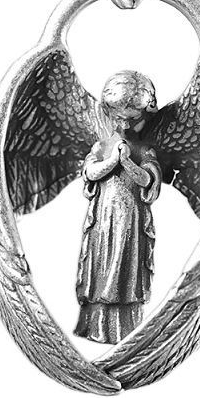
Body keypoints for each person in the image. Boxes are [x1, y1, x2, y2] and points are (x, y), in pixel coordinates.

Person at [74, 71, 162, 344]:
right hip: (104, 218)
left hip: (131, 221)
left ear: (144, 116)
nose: (124, 125)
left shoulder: (144, 149)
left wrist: (127, 162)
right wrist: (113, 160)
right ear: (109, 113)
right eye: (118, 118)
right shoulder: (102, 146)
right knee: (101, 266)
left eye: (132, 119)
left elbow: (148, 179)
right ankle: (96, 324)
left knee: (126, 268)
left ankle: (127, 328)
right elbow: (91, 172)